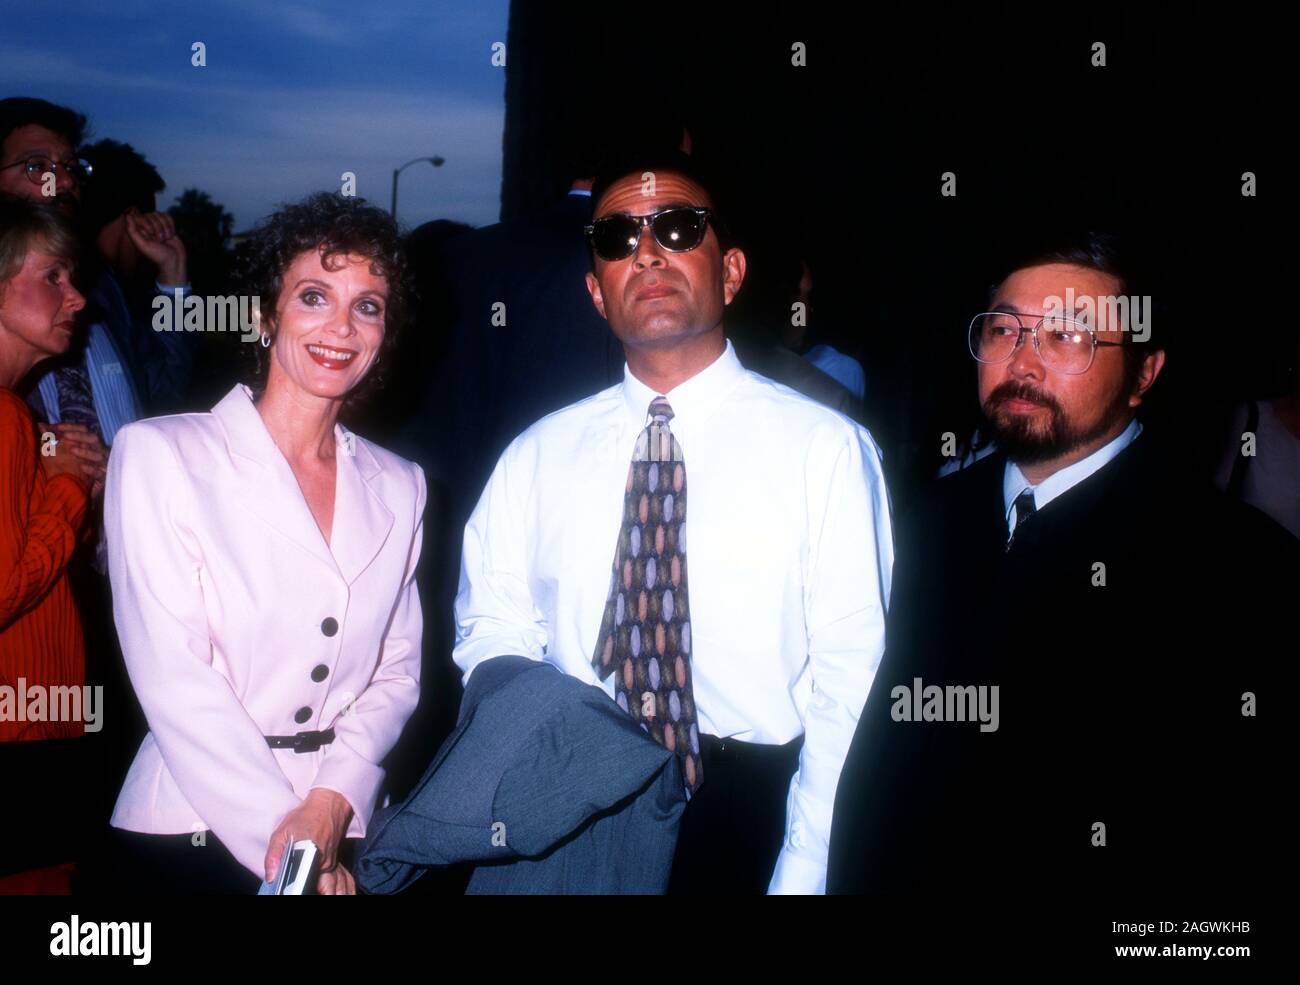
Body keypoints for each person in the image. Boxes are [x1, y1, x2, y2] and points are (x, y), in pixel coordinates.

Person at [454, 150, 894, 894]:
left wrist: (807, 862)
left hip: (748, 814)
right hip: (573, 803)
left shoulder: (826, 447)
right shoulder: (534, 455)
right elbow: (491, 628)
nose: (649, 251)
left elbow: (852, 676)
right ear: (597, 292)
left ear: (731, 271)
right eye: (619, 238)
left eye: (680, 227)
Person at [827, 231, 1297, 894]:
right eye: (1004, 330)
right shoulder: (922, 520)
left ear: (1144, 372)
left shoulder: (1239, 573)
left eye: (1068, 335)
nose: (1023, 362)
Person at [95, 193, 427, 895]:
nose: (342, 325)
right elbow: (174, 678)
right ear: (264, 315)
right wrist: (293, 849)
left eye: (368, 304)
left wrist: (333, 803)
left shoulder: (402, 484)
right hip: (191, 831)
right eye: (314, 296)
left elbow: (397, 671)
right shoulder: (162, 453)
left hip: (350, 830)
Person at [0, 198, 104, 893]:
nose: (77, 296)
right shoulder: (8, 415)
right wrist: (68, 486)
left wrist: (72, 486)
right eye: (54, 276)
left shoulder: (23, 412)